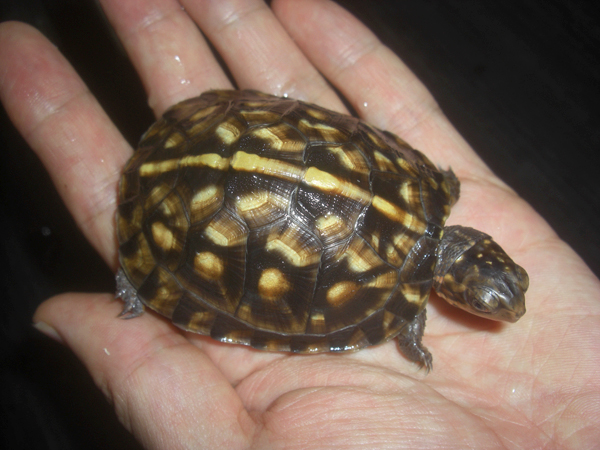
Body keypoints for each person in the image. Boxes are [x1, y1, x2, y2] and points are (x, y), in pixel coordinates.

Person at [1, 0, 598, 448]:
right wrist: (407, 329)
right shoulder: (397, 300)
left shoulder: (422, 184)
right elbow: (398, 309)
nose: (506, 309)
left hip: (217, 132)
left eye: (500, 295)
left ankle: (146, 269)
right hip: (191, 186)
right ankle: (144, 268)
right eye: (494, 298)